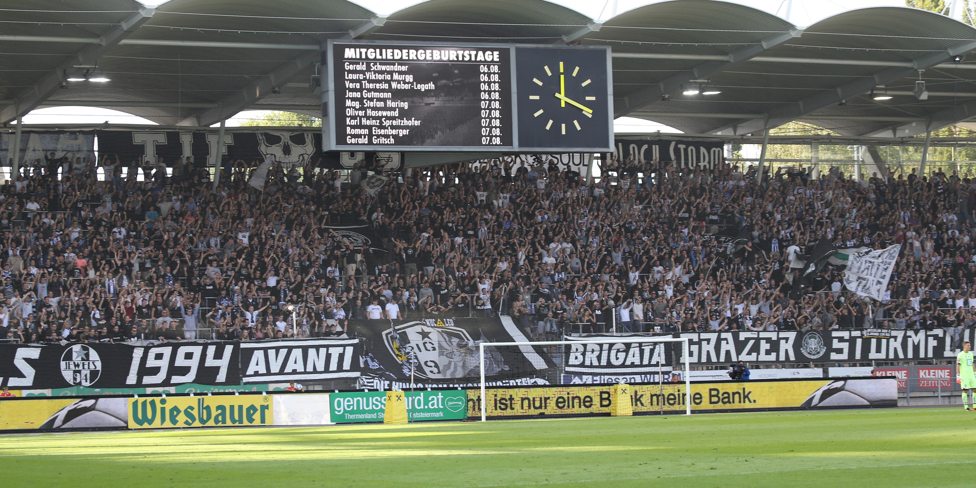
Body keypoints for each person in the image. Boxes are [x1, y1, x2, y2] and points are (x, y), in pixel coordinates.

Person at [957, 341, 976, 410]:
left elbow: (972, 363)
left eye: (970, 345)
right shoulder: (960, 355)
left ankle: (975, 406)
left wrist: (975, 372)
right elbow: (958, 365)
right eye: (968, 345)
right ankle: (966, 406)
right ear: (964, 346)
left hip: (971, 375)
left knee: (975, 389)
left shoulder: (971, 354)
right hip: (964, 375)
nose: (969, 346)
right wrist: (958, 375)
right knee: (965, 390)